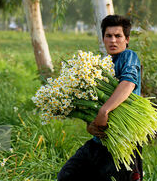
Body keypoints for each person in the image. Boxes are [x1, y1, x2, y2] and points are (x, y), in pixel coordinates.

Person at [57, 15, 142, 181]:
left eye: (118, 36)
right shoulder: (99, 64)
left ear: (127, 40)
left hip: (123, 143)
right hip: (99, 142)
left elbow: (129, 82)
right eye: (108, 36)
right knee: (67, 175)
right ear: (103, 39)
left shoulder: (128, 57)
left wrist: (105, 110)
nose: (113, 40)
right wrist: (90, 125)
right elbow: (91, 103)